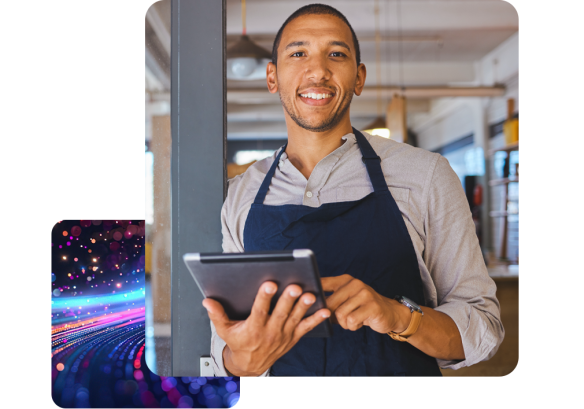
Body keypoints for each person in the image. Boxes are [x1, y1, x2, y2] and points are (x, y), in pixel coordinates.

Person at [202, 4, 504, 377]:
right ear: (272, 77)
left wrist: (397, 315)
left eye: (337, 54)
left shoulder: (427, 175)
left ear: (358, 78)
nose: (318, 70)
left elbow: (484, 328)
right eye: (298, 53)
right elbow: (226, 349)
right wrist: (241, 363)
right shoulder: (239, 195)